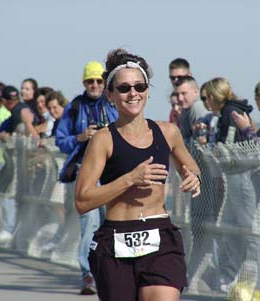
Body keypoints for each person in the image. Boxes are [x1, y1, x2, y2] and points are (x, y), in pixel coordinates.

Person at [74, 48, 201, 301]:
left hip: (160, 238)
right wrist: (130, 178)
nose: (133, 93)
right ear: (110, 94)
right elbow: (82, 201)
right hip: (115, 240)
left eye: (139, 86)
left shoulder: (168, 132)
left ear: (147, 90)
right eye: (123, 88)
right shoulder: (103, 140)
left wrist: (193, 177)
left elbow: (192, 167)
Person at [55, 60, 118, 295]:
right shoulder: (74, 107)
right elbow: (60, 140)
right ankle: (88, 275)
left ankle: (109, 271)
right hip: (86, 173)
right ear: (84, 82)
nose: (94, 85)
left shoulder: (113, 104)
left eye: (99, 81)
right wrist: (80, 137)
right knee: (89, 225)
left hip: (112, 174)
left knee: (110, 224)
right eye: (90, 81)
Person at [205, 77, 257, 293]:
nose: (206, 102)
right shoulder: (228, 112)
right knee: (229, 227)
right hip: (234, 178)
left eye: (207, 97)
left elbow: (231, 147)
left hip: (240, 177)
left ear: (214, 97)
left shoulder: (230, 114)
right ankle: (229, 277)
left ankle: (253, 276)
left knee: (248, 228)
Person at [174, 75, 209, 144]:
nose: (180, 98)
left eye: (184, 93)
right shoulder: (185, 109)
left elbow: (200, 141)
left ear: (196, 92)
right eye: (177, 94)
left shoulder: (197, 107)